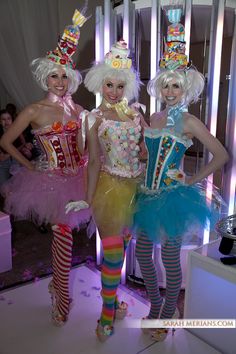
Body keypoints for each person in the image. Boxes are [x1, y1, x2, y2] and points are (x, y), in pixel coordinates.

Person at [133, 5, 229, 342]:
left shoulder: (189, 121)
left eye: (177, 85)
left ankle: (167, 312)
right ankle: (158, 304)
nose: (171, 91)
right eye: (167, 85)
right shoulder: (156, 117)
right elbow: (149, 153)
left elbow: (222, 154)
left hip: (173, 197)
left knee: (170, 258)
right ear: (159, 86)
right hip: (146, 194)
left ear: (185, 87)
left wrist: (194, 177)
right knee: (144, 253)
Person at [0, 7, 91, 326]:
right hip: (50, 182)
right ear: (45, 76)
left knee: (65, 238)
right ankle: (62, 298)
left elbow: (85, 145)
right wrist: (30, 166)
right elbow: (7, 141)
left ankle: (57, 286)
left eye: (65, 75)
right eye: (54, 74)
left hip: (79, 178)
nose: (60, 80)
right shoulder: (33, 110)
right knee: (63, 236)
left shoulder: (78, 108)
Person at [66, 39, 147, 341]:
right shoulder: (93, 118)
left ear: (127, 87)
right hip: (109, 191)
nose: (113, 91)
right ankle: (106, 315)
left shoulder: (137, 114)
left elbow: (144, 150)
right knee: (113, 256)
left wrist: (147, 153)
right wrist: (87, 199)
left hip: (136, 190)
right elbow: (94, 162)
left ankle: (112, 302)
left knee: (121, 253)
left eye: (119, 86)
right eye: (109, 85)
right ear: (100, 83)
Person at [0, 109, 33, 186]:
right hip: (3, 163)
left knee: (22, 182)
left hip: (16, 159)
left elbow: (23, 143)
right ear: (0, 121)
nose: (7, 121)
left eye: (9, 118)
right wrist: (20, 148)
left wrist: (25, 146)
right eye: (3, 119)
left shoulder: (16, 130)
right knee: (3, 185)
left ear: (12, 120)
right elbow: (2, 158)